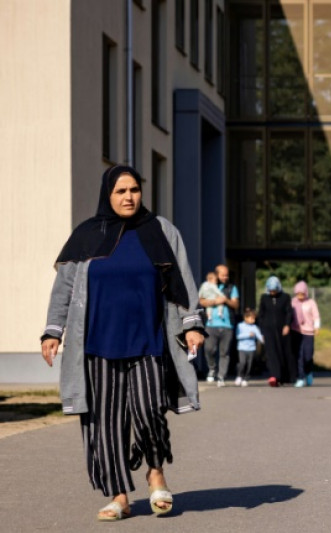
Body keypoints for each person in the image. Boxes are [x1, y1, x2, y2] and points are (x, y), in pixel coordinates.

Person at [40, 165, 206, 521]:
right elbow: (65, 288)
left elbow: (183, 279)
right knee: (105, 423)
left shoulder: (160, 231)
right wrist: (53, 331)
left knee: (149, 410)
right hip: (96, 345)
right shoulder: (86, 235)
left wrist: (192, 325)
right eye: (120, 191)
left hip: (148, 341)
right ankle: (119, 496)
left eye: (134, 190)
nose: (129, 197)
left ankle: (155, 472)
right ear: (107, 194)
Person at [198, 264, 239, 386]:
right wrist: (215, 301)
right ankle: (212, 368)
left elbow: (236, 305)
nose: (225, 277)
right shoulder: (207, 286)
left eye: (227, 275)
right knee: (209, 349)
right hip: (211, 324)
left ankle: (221, 375)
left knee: (224, 352)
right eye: (223, 275)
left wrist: (225, 300)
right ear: (216, 274)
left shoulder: (232, 288)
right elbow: (201, 301)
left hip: (227, 325)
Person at [258, 276, 294, 387]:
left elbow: (289, 312)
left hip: (282, 329)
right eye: (270, 290)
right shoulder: (264, 298)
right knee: (271, 353)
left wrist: (287, 325)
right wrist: (261, 330)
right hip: (268, 329)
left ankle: (284, 377)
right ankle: (274, 376)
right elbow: (261, 314)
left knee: (282, 352)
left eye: (274, 290)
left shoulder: (285, 297)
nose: (272, 292)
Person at [290, 280, 321, 387]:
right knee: (299, 356)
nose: (300, 296)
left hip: (308, 333)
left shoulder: (311, 302)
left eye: (302, 294)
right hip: (296, 331)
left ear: (306, 292)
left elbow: (316, 316)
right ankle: (300, 378)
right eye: (298, 294)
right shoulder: (292, 302)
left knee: (308, 356)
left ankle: (308, 372)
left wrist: (317, 327)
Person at [235, 308, 265, 387]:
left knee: (249, 364)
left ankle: (246, 378)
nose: (253, 320)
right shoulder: (240, 326)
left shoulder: (254, 327)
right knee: (242, 363)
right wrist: (248, 335)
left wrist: (264, 341)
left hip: (251, 349)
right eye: (252, 318)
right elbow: (238, 336)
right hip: (242, 348)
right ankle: (239, 376)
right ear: (246, 318)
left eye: (254, 319)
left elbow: (259, 336)